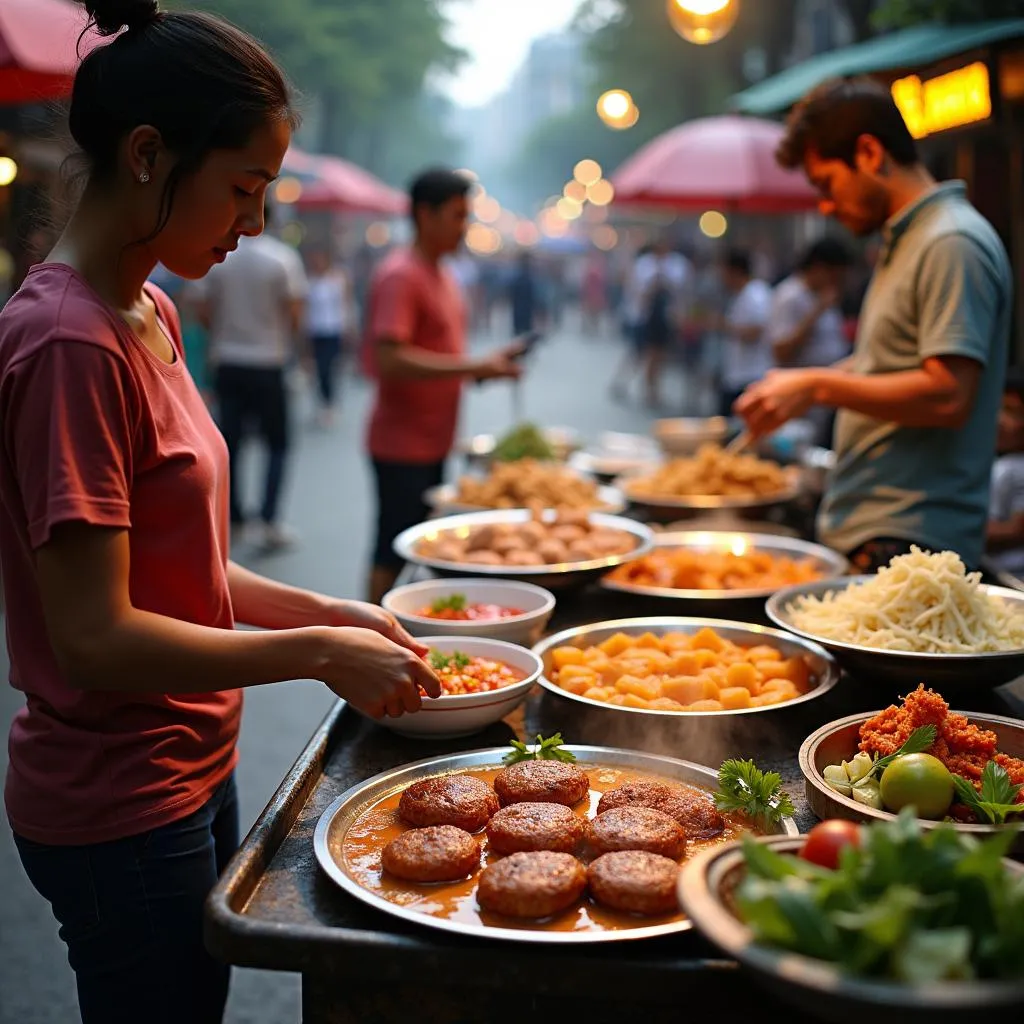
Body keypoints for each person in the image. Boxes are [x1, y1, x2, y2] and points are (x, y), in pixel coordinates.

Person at [0, 5, 440, 1023]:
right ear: (149, 155)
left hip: (189, 765)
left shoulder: (149, 310)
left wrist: (329, 613)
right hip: (118, 798)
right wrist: (321, 654)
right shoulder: (70, 343)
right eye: (242, 187)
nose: (254, 222)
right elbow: (98, 637)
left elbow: (183, 570)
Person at [735, 78, 1012, 573]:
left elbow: (948, 394)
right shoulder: (907, 240)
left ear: (868, 153)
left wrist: (819, 386)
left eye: (826, 184)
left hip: (911, 541)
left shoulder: (951, 241)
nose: (824, 205)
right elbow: (885, 364)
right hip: (878, 531)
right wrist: (796, 387)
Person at [363, 168, 524, 604]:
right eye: (456, 215)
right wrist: (472, 366)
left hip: (435, 440)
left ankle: (394, 628)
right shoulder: (402, 274)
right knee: (393, 546)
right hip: (402, 443)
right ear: (423, 214)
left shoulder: (445, 274)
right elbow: (390, 359)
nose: (464, 227)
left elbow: (442, 356)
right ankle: (373, 631)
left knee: (416, 543)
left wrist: (484, 368)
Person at [193, 200, 307, 551]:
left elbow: (199, 304)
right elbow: (295, 311)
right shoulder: (283, 259)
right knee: (278, 444)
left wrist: (222, 333)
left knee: (231, 443)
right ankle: (270, 519)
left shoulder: (219, 258)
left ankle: (236, 517)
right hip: (269, 361)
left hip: (228, 359)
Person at [767, 236, 853, 446]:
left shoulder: (825, 296)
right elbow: (781, 351)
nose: (836, 281)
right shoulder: (790, 296)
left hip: (825, 400)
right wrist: (816, 313)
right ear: (818, 268)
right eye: (833, 274)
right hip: (800, 403)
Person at [717, 249, 773, 417]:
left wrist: (725, 326)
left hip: (750, 376)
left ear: (734, 271)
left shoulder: (756, 294)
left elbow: (757, 330)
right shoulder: (743, 294)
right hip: (737, 374)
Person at [304, 245, 352, 427]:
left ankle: (329, 402)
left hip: (333, 329)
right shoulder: (310, 281)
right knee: (318, 369)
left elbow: (345, 305)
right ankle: (324, 402)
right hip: (316, 330)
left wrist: (348, 327)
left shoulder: (337, 280)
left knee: (328, 368)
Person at [986, 369, 1024, 576]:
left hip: (1010, 578)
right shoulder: (1003, 465)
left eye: (1012, 411)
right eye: (998, 409)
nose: (1000, 420)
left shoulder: (1012, 468)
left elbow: (1018, 530)